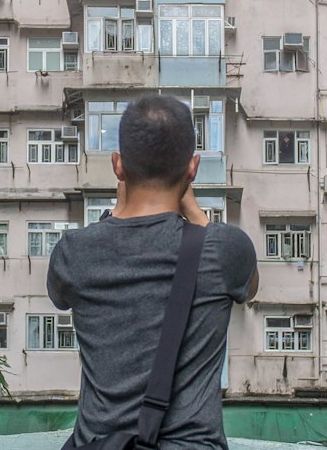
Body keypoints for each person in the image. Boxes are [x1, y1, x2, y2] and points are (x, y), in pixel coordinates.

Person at [47, 96, 257, 450]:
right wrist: (193, 210)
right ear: (193, 168)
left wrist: (115, 214)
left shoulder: (73, 252)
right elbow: (248, 289)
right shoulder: (225, 250)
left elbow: (60, 296)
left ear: (118, 166)